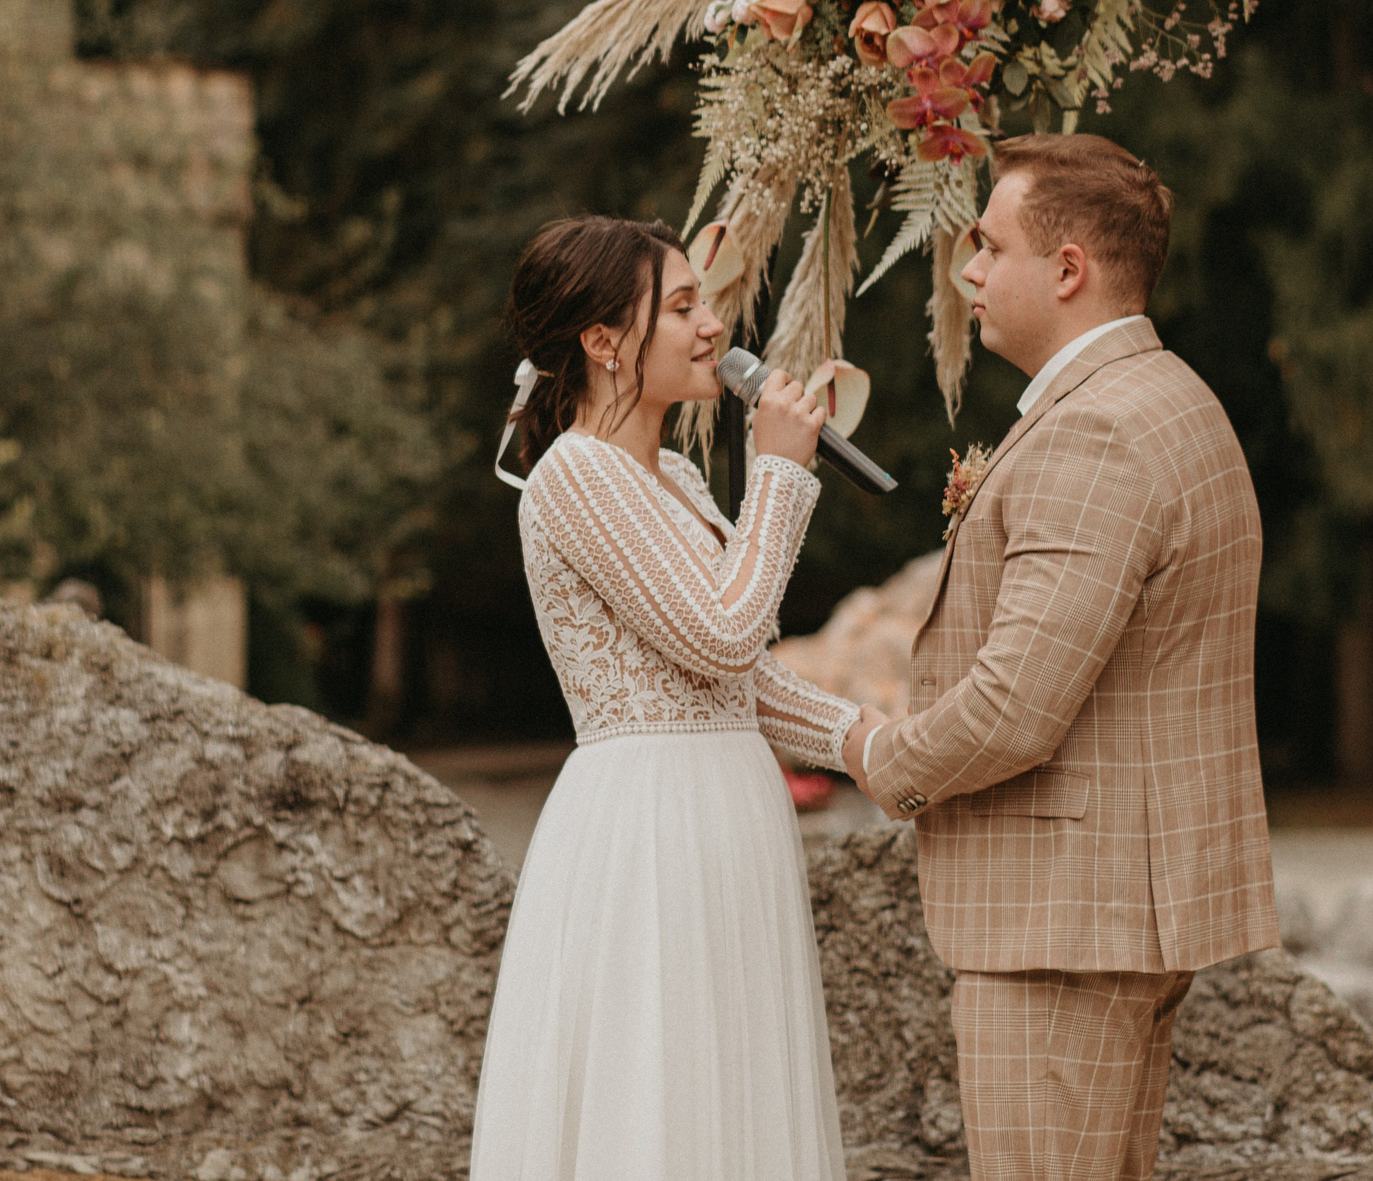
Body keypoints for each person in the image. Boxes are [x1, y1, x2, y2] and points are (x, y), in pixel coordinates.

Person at [844, 133, 1278, 1181]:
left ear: (1069, 269)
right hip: (1107, 907)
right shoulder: (1165, 397)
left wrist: (874, 753)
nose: (971, 273)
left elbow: (1010, 708)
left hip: (1062, 924)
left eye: (989, 248)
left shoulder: (1101, 432)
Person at [470, 214, 885, 1181]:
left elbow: (735, 676)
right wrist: (780, 469)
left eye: (710, 302)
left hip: (728, 815)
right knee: (656, 1095)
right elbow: (724, 627)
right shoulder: (572, 474)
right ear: (604, 342)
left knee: (732, 1096)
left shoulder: (682, 476)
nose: (715, 328)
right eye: (684, 306)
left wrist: (868, 740)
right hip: (648, 830)